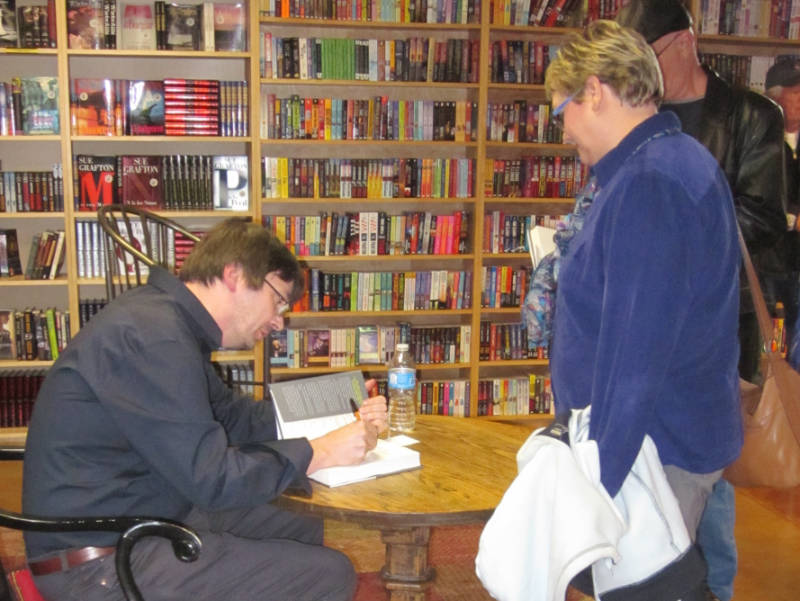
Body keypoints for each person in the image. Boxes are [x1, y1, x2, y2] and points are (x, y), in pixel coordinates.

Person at [21, 218, 388, 601]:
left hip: (144, 515)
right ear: (235, 274)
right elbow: (213, 480)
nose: (279, 320)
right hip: (99, 566)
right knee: (328, 575)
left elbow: (234, 418)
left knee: (295, 517)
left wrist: (334, 401)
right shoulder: (154, 336)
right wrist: (320, 452)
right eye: (278, 299)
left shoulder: (164, 321)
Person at [544, 19, 742, 599]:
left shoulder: (649, 184)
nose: (564, 135)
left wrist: (597, 485)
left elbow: (634, 360)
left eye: (563, 112)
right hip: (662, 440)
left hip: (655, 451)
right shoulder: (666, 161)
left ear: (596, 92)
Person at [614, 4, 789, 601]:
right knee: (650, 459)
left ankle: (713, 587)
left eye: (651, 55)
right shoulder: (639, 109)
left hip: (719, 317)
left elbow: (764, 219)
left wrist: (669, 229)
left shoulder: (749, 116)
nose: (644, 71)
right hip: (645, 314)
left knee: (707, 468)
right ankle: (661, 576)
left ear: (686, 42)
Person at [764, 56, 800, 351]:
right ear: (774, 97)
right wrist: (793, 219)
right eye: (797, 93)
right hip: (770, 262)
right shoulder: (760, 140)